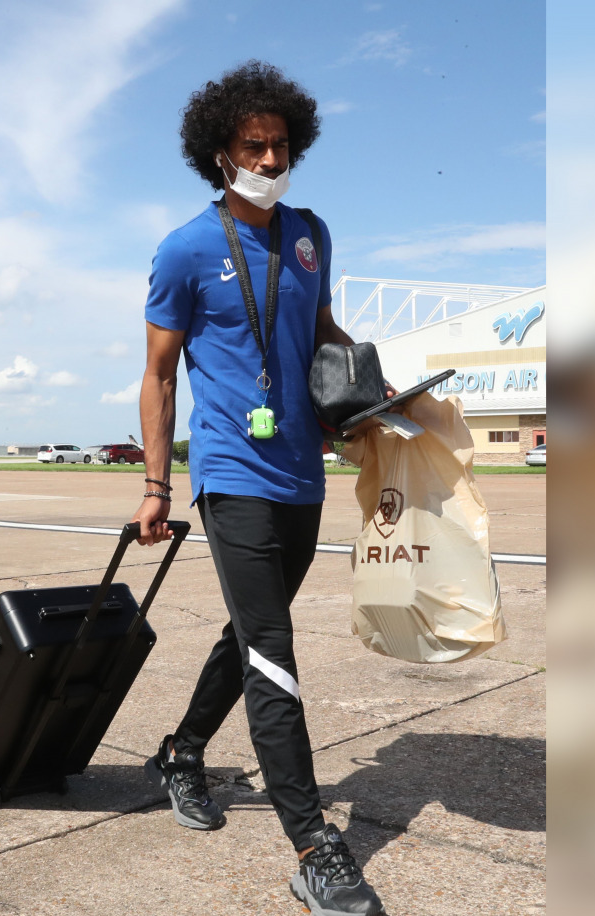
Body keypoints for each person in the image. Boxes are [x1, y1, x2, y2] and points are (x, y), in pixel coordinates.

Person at [130, 61, 385, 916]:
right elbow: (160, 376)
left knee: (251, 636)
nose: (271, 161)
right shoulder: (186, 248)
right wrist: (158, 485)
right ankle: (314, 846)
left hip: (300, 472)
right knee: (275, 651)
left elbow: (317, 331)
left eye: (281, 147)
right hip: (233, 473)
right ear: (218, 155)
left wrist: (371, 389)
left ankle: (181, 751)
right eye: (254, 146)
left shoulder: (310, 232)